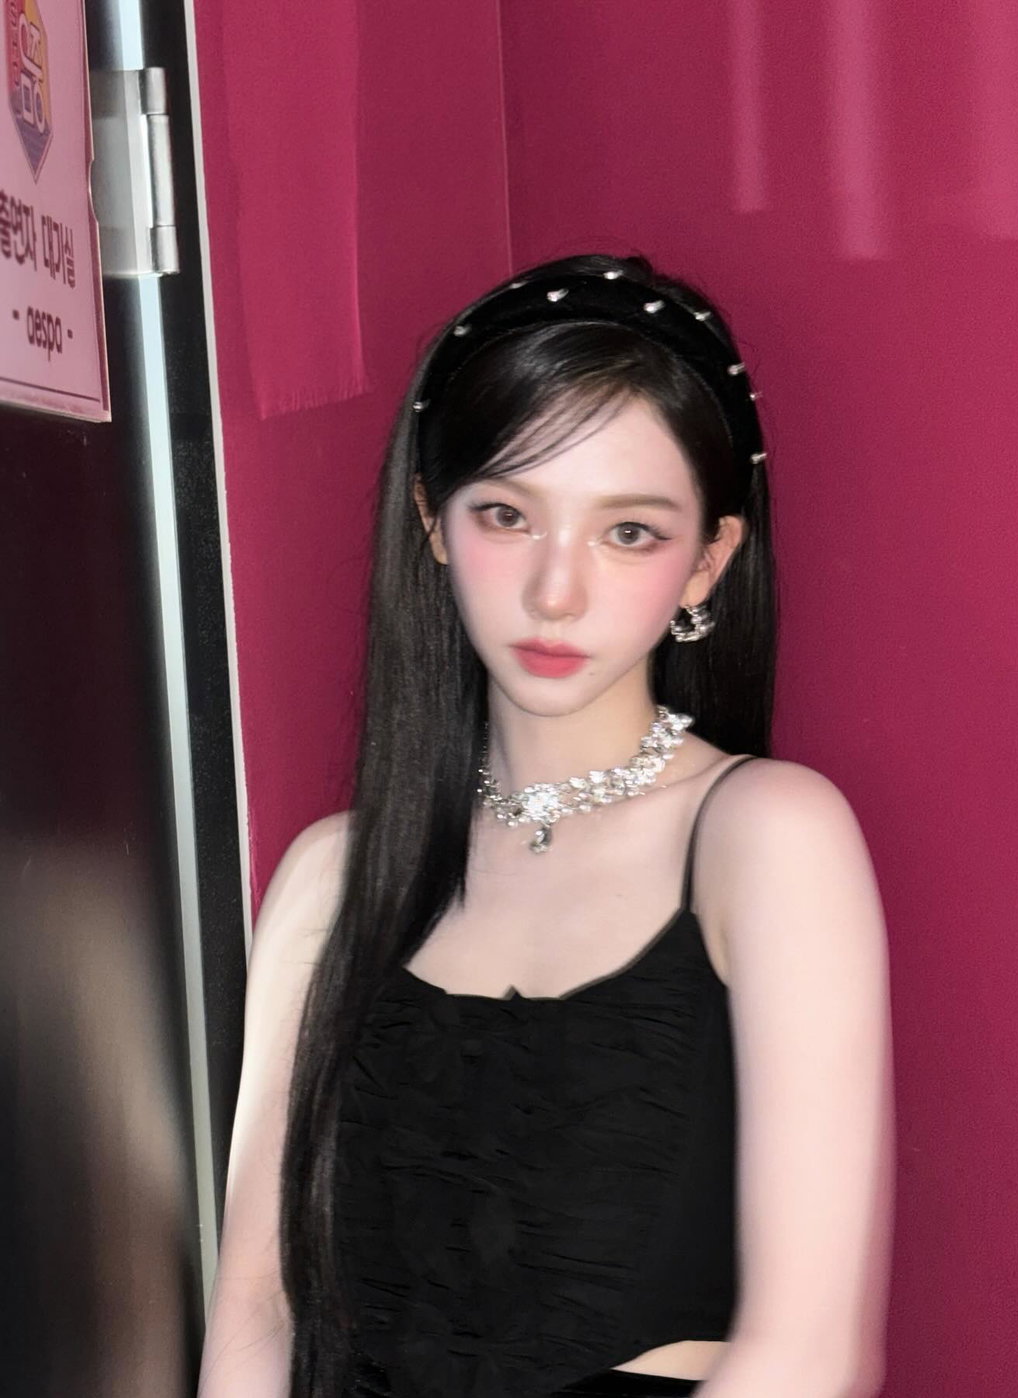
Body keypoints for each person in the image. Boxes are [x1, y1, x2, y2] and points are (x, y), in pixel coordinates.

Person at [197, 253, 894, 1398]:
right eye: (507, 515)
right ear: (431, 521)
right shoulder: (332, 876)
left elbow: (807, 1356)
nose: (554, 592)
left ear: (707, 561)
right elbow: (253, 1315)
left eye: (628, 533)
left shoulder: (765, 838)